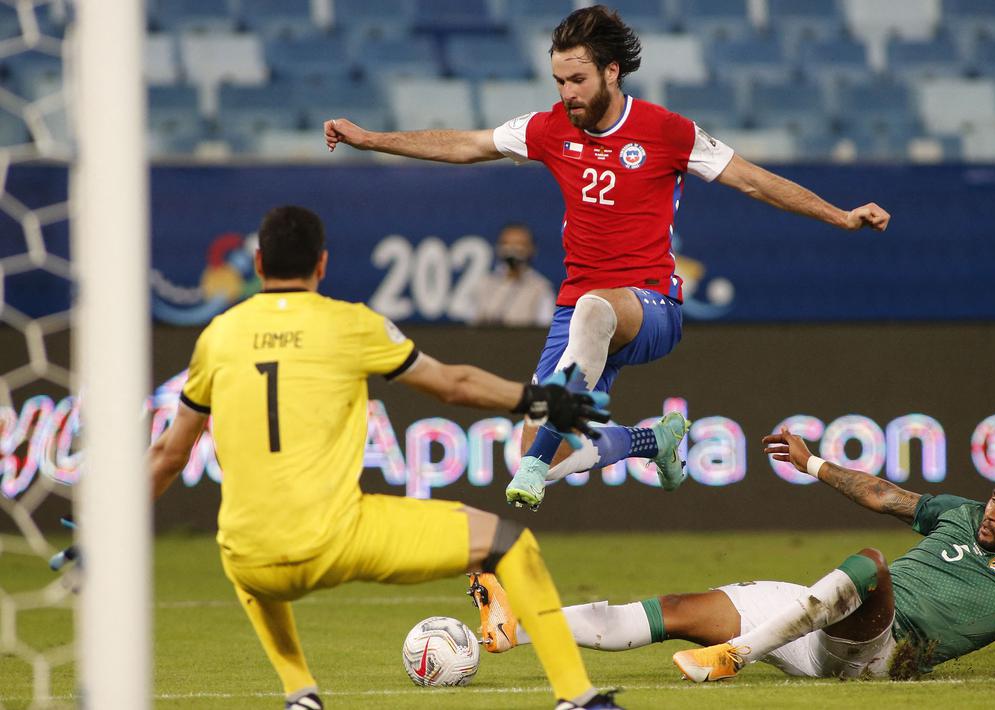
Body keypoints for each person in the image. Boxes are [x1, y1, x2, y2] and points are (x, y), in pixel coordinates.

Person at [323, 5, 891, 511]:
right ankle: (652, 441)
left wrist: (839, 214)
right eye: (558, 79)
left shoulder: (666, 131)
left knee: (593, 320)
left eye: (577, 79)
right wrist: (371, 139)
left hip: (650, 307)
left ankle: (538, 463)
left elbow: (752, 181)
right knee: (533, 439)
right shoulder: (548, 129)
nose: (566, 92)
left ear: (611, 72)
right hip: (577, 314)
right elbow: (467, 145)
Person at [147, 206, 623, 710]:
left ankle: (299, 692)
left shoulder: (216, 337)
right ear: (322, 264)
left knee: (247, 552)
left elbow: (167, 455)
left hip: (250, 557)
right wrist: (540, 399)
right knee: (512, 545)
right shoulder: (350, 323)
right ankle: (578, 698)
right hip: (340, 537)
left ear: (259, 263)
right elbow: (452, 386)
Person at [465, 428, 995, 684]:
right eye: (992, 499)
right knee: (674, 610)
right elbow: (883, 494)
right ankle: (517, 627)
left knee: (869, 563)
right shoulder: (956, 513)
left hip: (881, 649)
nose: (990, 512)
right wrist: (813, 463)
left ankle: (735, 656)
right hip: (818, 614)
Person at [468, 222, 556, 328]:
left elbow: (545, 330)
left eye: (520, 244)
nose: (512, 250)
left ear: (531, 249)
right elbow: (471, 325)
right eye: (506, 244)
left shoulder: (541, 288)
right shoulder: (483, 284)